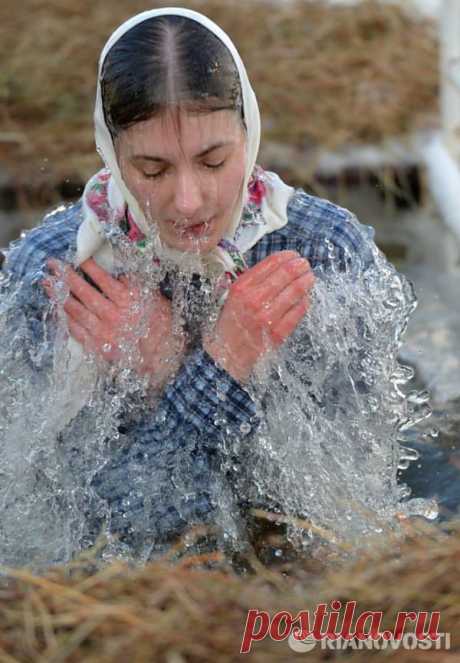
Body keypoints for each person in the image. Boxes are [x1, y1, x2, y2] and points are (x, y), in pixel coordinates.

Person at [1, 8, 411, 560]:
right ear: (112, 154)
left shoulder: (324, 252)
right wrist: (212, 370)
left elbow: (339, 515)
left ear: (250, 133)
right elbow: (82, 539)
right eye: (152, 171)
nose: (188, 201)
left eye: (214, 161)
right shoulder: (58, 275)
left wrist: (190, 372)